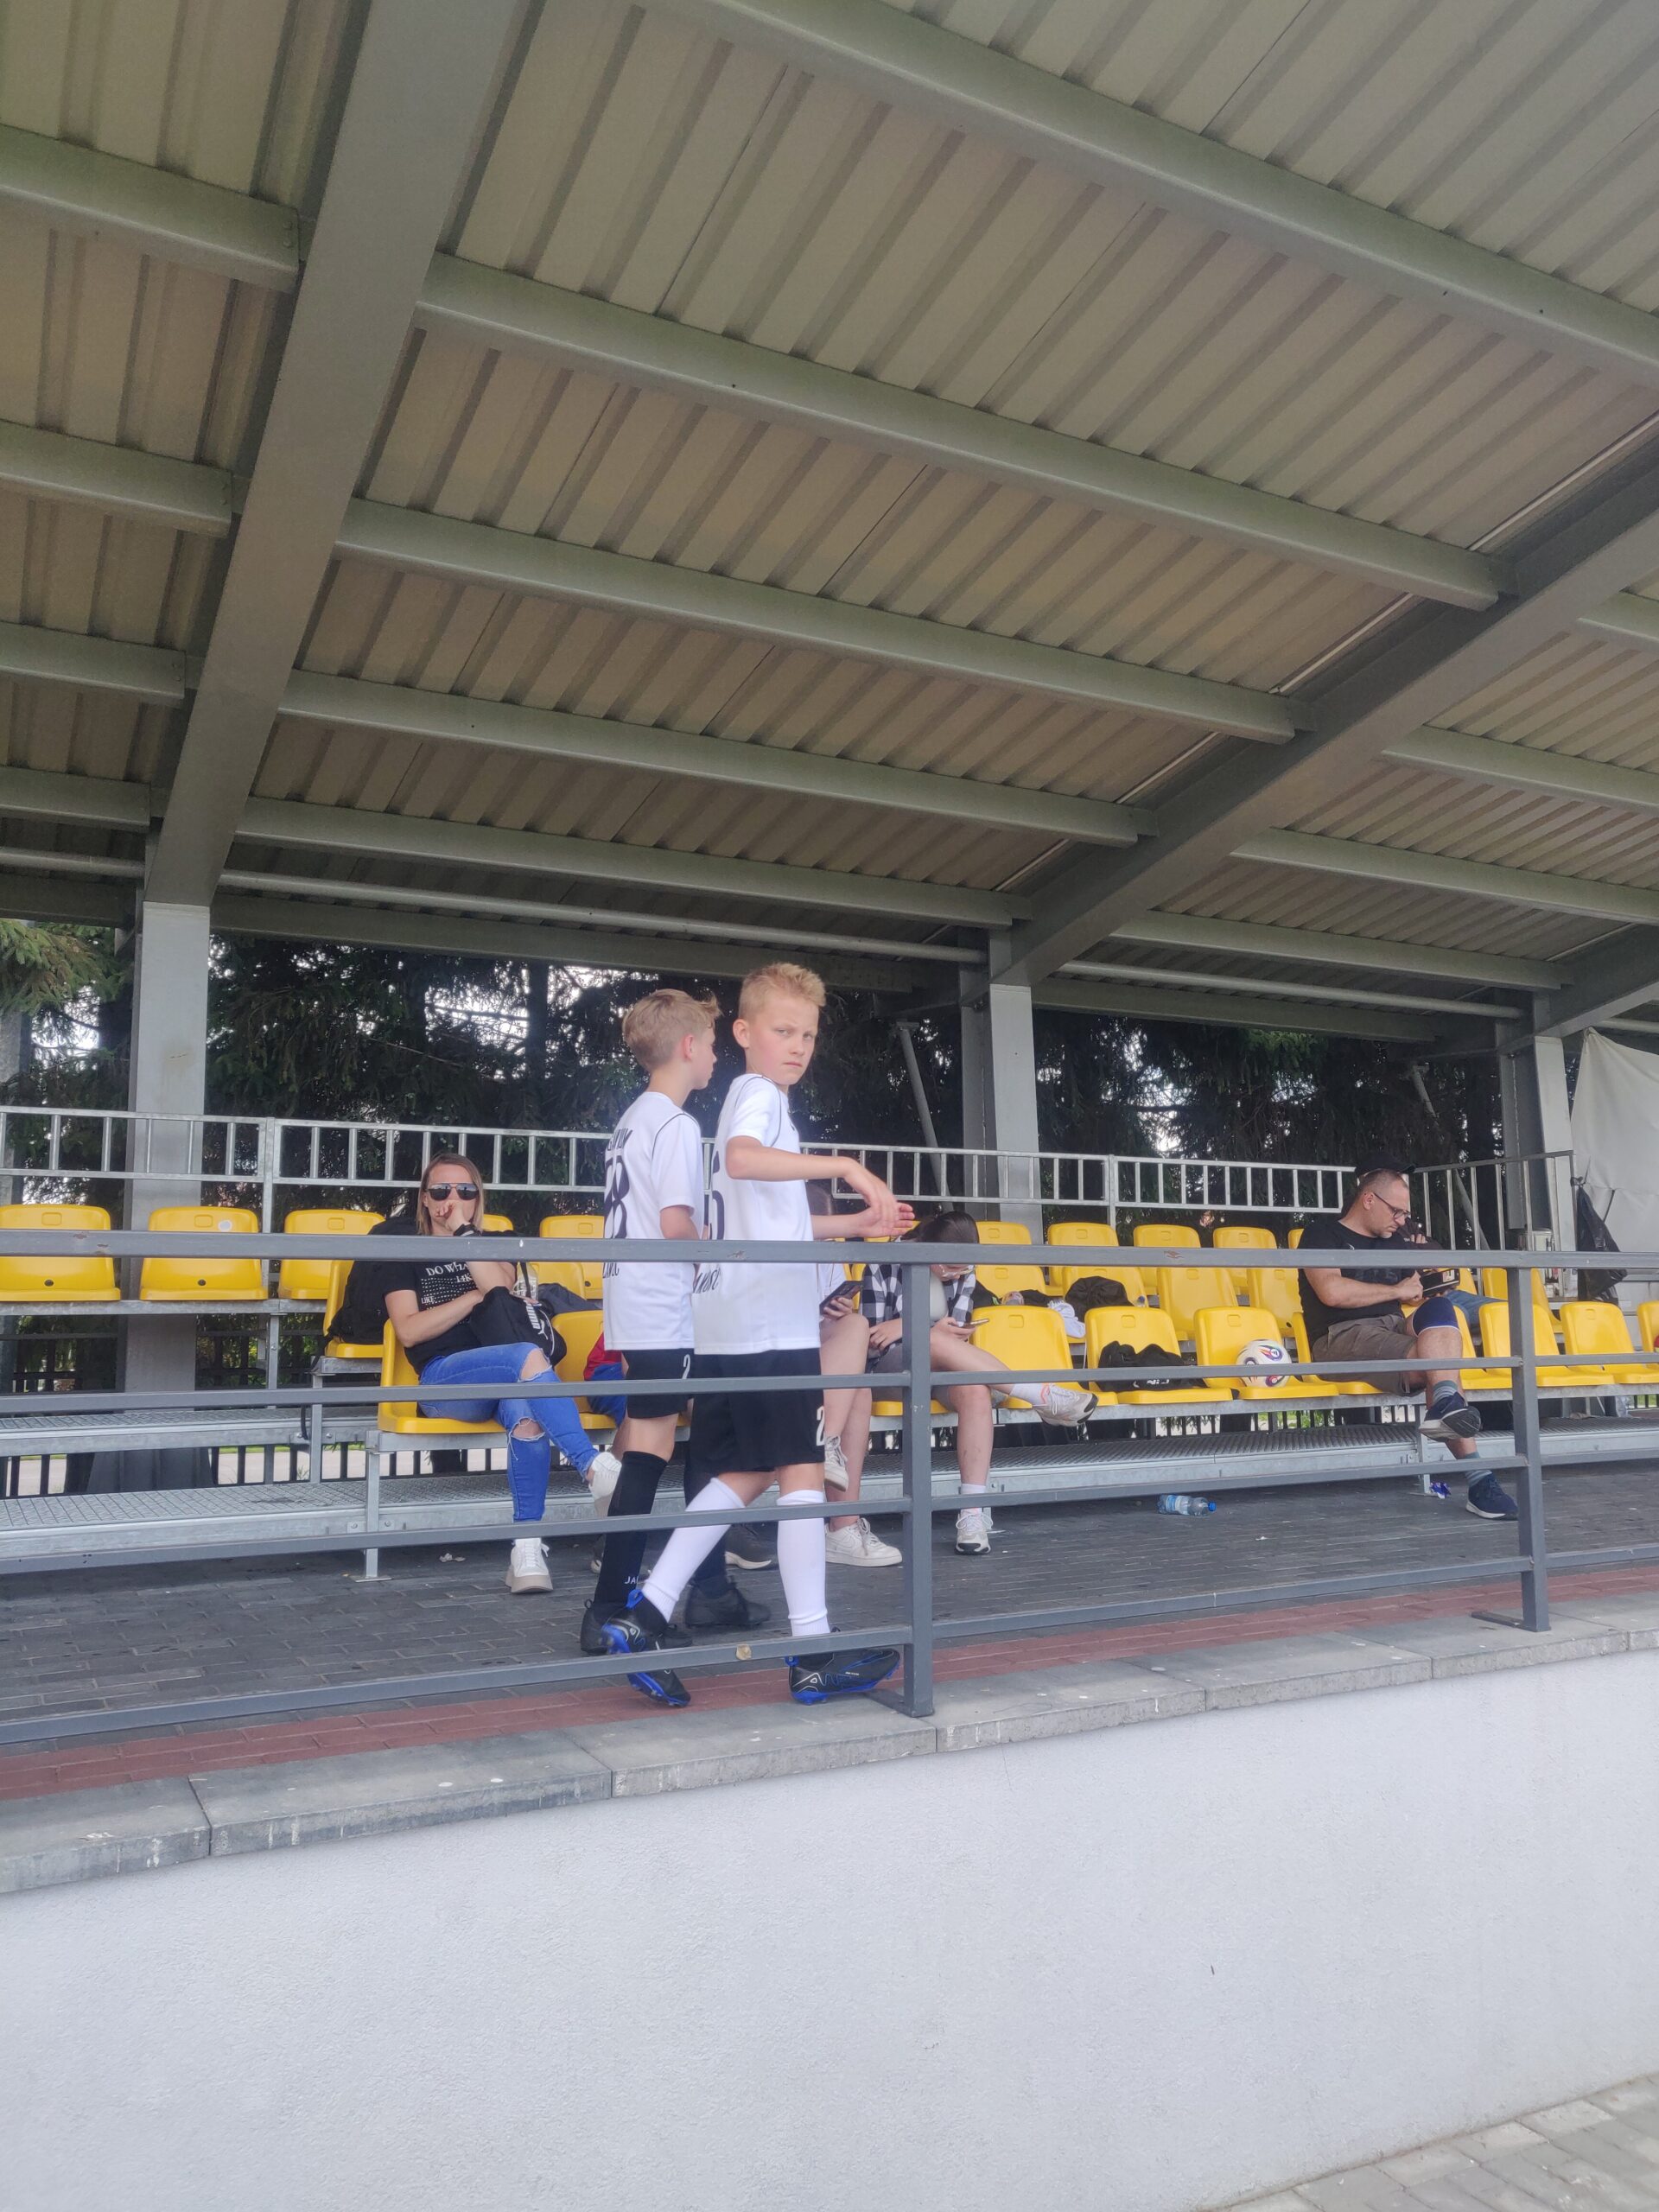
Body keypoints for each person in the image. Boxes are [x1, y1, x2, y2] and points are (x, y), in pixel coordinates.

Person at [600, 962, 909, 1706]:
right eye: (782, 1030)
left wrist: (852, 1226)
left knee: (743, 1475)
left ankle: (644, 1616)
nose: (798, 1046)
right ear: (742, 1032)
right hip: (769, 1320)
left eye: (808, 1035)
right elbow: (742, 1160)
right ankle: (811, 1651)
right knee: (800, 1471)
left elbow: (767, 1218)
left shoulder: (754, 1101)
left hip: (729, 1318)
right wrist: (848, 1165)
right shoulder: (759, 1095)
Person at [584, 988, 766, 1656]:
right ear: (688, 1047)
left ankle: (703, 1589)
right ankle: (618, 1603)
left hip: (633, 1305)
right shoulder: (678, 1125)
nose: (716, 1056)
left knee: (669, 1447)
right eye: (712, 1045)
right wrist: (720, 1253)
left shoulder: (631, 1120)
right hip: (667, 1308)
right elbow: (674, 1225)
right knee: (662, 1454)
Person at [367, 1157, 620, 1592]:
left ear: (477, 1198)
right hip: (444, 1378)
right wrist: (470, 1299)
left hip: (508, 1378)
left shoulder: (495, 1242)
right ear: (424, 1199)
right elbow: (409, 1330)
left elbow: (497, 1286)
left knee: (526, 1413)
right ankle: (592, 1467)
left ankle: (526, 1551)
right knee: (526, 1356)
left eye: (465, 1191)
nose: (453, 1199)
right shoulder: (404, 1254)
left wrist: (464, 1232)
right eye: (441, 1191)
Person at [858, 1211, 1096, 1556]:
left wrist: (931, 1331)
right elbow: (870, 1342)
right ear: (927, 1247)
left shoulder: (965, 1271)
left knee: (974, 1389)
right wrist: (915, 1328)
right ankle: (1039, 1394)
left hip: (940, 1368)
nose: (956, 1275)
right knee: (933, 1340)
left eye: (963, 1269)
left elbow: (956, 1338)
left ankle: (972, 1514)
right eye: (949, 1268)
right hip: (888, 1371)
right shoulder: (883, 1265)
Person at [1298, 1166, 1516, 1520]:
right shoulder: (1322, 1233)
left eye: (1405, 1214)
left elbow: (1420, 1282)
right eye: (1396, 1211)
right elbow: (1332, 1292)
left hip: (1393, 1327)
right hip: (1341, 1335)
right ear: (1369, 1200)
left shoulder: (1394, 1241)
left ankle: (1444, 1404)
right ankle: (1480, 1479)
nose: (1402, 1221)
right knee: (1439, 1368)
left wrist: (1425, 1288)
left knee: (1442, 1310)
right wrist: (1398, 1290)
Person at [804, 1183, 895, 1568]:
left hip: (814, 1355)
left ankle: (843, 1525)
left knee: (855, 1332)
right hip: (766, 1359)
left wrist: (834, 1312)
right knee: (856, 1383)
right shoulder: (756, 1248)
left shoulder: (830, 1255)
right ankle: (841, 1523)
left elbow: (824, 1324)